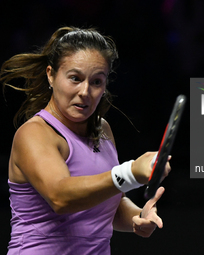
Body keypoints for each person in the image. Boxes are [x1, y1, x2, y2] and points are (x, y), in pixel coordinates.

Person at [0, 26, 171, 254]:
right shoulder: (34, 133)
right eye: (75, 78)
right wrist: (129, 173)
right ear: (51, 75)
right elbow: (60, 197)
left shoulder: (103, 130)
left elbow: (108, 203)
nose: (85, 91)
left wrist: (138, 217)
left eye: (96, 82)